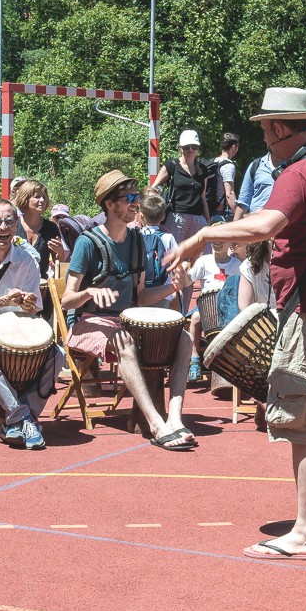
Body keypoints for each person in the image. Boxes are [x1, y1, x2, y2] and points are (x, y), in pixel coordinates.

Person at [162, 86, 306, 558]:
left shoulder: (298, 173)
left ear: (278, 127)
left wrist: (204, 235)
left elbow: (265, 225)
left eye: (267, 131)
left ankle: (305, 533)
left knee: (302, 419)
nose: (265, 141)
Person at [62, 170, 196, 450]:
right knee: (124, 341)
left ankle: (174, 419)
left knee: (184, 338)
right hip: (87, 323)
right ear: (110, 204)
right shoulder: (87, 242)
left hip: (125, 323)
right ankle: (156, 425)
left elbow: (142, 297)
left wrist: (174, 286)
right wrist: (89, 292)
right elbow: (66, 300)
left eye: (137, 197)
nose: (136, 203)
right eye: (130, 198)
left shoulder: (137, 241)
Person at [0, 200, 66, 450]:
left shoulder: (27, 260)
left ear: (16, 225)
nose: (3, 227)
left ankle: (19, 418)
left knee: (57, 355)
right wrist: (3, 301)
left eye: (9, 221)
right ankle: (22, 417)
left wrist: (28, 303)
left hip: (18, 326)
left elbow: (34, 308)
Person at [186, 240, 241, 380]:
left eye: (221, 240)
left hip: (228, 307)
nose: (217, 243)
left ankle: (232, 361)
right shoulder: (204, 261)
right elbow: (188, 281)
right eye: (214, 240)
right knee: (196, 317)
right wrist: (182, 271)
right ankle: (194, 360)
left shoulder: (237, 265)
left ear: (230, 242)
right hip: (205, 307)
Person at [152, 130, 211, 244]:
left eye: (194, 147)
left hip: (198, 219)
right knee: (174, 252)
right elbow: (153, 189)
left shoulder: (203, 169)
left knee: (201, 253)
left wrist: (207, 219)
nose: (190, 150)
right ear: (180, 147)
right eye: (186, 147)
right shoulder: (171, 165)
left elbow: (203, 197)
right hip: (176, 218)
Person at [12, 179, 68, 276]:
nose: (42, 200)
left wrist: (60, 253)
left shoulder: (51, 227)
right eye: (37, 197)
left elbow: (58, 263)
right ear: (25, 198)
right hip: (13, 281)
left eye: (44, 197)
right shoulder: (12, 226)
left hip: (40, 283)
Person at [136, 189, 181, 310]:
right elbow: (177, 261)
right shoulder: (168, 237)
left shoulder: (136, 236)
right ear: (163, 216)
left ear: (141, 215)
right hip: (162, 290)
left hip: (141, 289)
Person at [235, 138, 278, 222]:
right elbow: (243, 202)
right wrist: (234, 225)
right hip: (256, 223)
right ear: (265, 138)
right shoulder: (255, 166)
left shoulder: (293, 166)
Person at [212, 132, 240, 220]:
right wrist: (238, 214)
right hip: (221, 213)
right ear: (233, 147)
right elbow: (229, 194)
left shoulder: (213, 162)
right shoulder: (228, 166)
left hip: (209, 211)